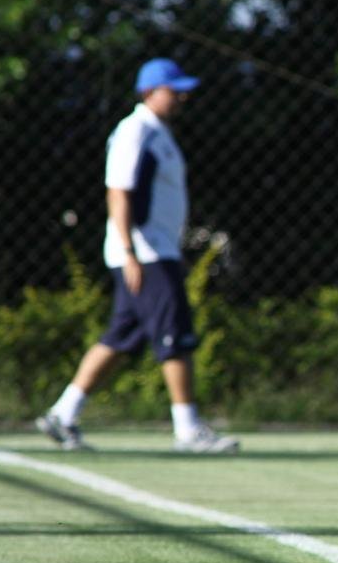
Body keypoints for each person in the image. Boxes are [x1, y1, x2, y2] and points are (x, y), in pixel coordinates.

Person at [36, 57, 238, 454]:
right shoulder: (136, 131)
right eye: (173, 89)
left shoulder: (158, 132)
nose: (182, 96)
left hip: (152, 249)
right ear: (149, 91)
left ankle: (63, 413)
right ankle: (188, 428)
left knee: (122, 337)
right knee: (174, 334)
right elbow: (118, 191)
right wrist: (129, 251)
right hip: (146, 252)